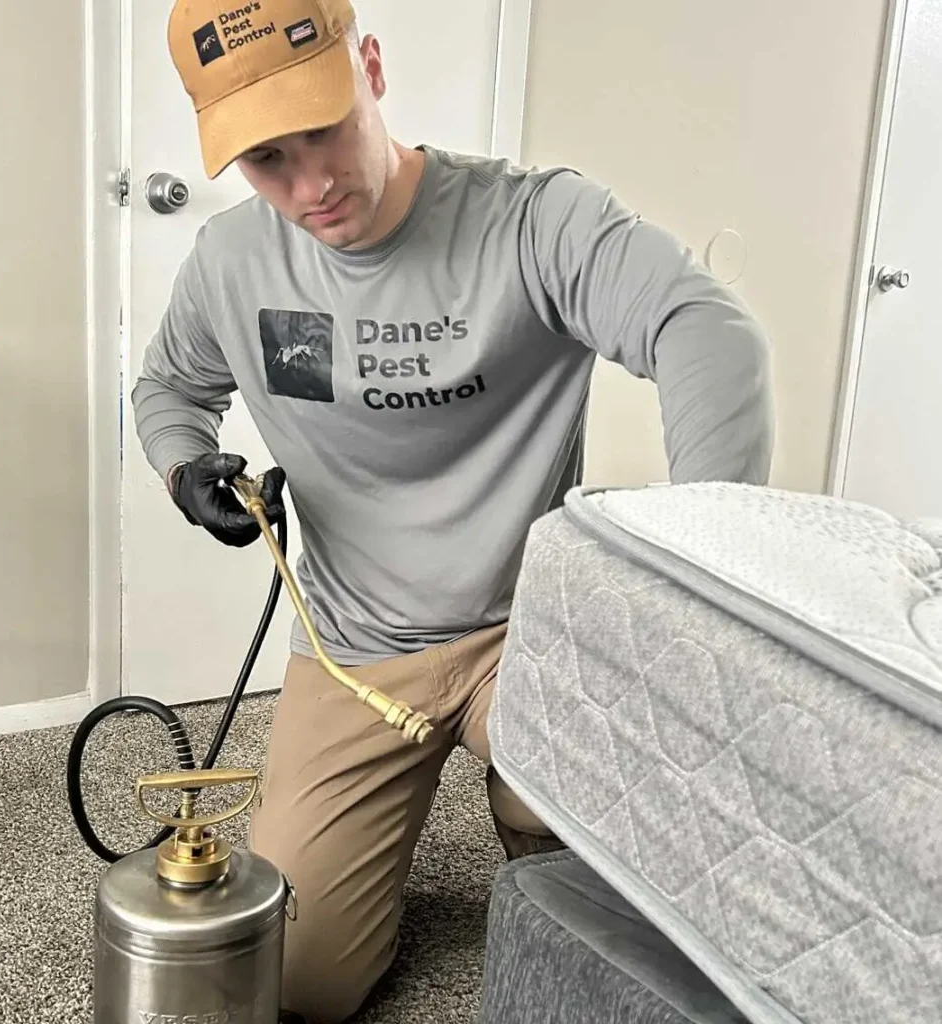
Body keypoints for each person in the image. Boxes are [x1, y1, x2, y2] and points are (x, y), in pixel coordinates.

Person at [134, 0, 775, 1019]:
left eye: (325, 130)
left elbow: (708, 334)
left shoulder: (532, 222)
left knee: (619, 899)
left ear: (371, 69)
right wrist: (186, 468)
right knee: (296, 984)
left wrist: (705, 576)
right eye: (267, 160)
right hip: (354, 646)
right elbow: (169, 390)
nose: (313, 186)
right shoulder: (231, 263)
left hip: (526, 628)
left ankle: (534, 817)